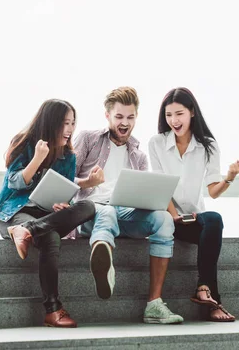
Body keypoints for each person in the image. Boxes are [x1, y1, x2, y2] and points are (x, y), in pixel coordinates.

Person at [74, 86, 184, 324]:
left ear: (136, 117)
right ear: (107, 116)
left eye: (130, 117)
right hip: (91, 212)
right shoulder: (88, 139)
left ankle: (154, 305)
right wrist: (88, 182)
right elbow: (64, 179)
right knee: (107, 210)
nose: (125, 123)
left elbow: (143, 194)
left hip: (125, 214)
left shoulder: (139, 155)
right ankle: (104, 257)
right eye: (119, 117)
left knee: (163, 219)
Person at [0, 99, 96, 328]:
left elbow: (65, 191)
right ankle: (53, 309)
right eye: (65, 123)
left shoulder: (69, 156)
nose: (70, 129)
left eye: (72, 123)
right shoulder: (24, 144)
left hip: (44, 216)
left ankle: (27, 231)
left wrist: (62, 205)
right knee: (51, 238)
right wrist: (37, 159)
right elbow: (15, 182)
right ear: (51, 123)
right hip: (14, 214)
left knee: (88, 207)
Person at [148, 87, 239, 322]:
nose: (173, 120)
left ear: (192, 112)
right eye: (169, 115)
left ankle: (203, 287)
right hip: (167, 219)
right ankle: (215, 304)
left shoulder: (207, 145)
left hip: (194, 220)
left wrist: (229, 177)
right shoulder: (157, 143)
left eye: (179, 113)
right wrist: (173, 215)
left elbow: (213, 192)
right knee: (208, 230)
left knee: (214, 219)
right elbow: (160, 187)